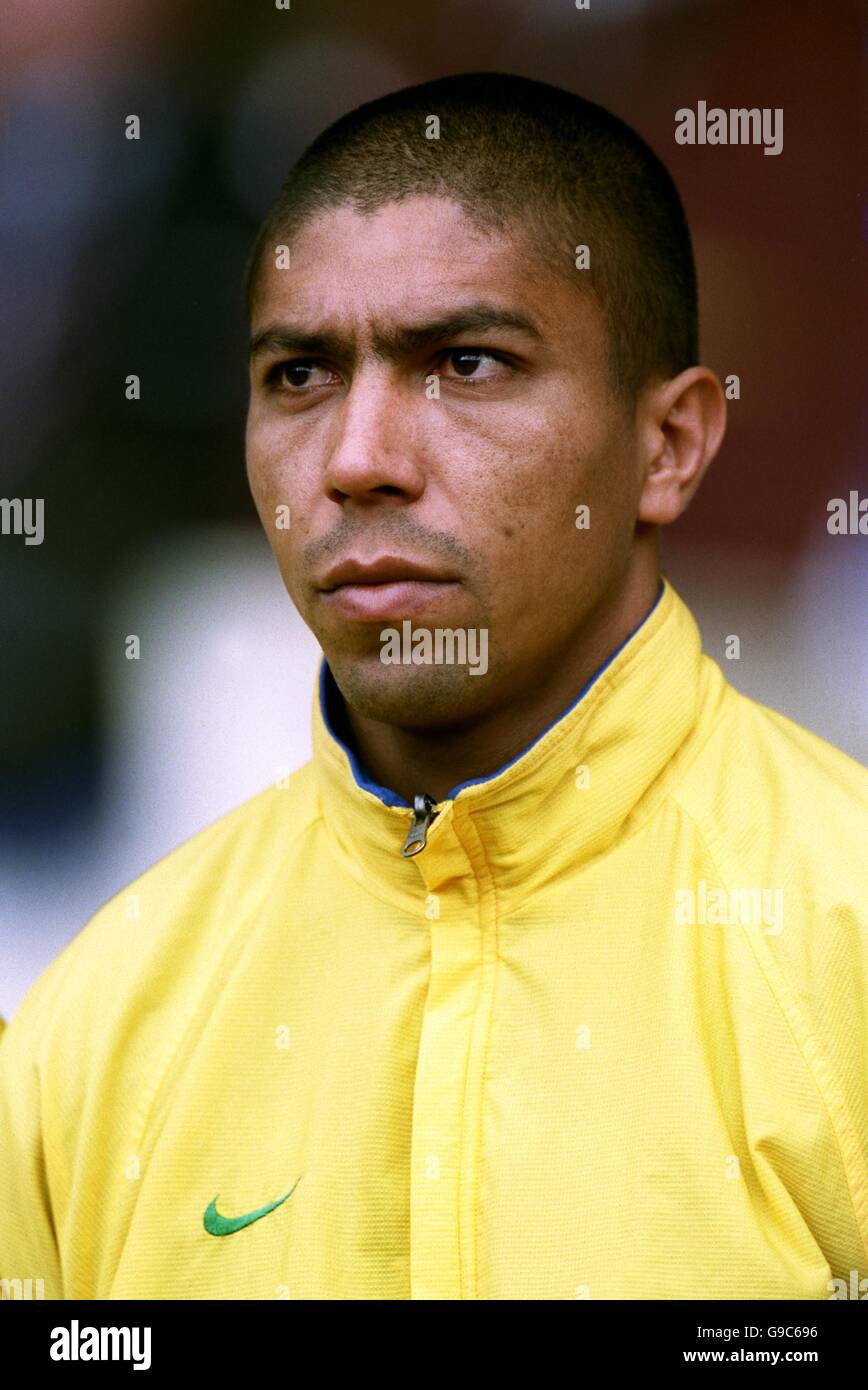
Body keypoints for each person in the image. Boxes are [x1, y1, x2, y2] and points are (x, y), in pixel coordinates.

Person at [1, 72, 865, 1302]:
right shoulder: (98, 1019)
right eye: (298, 376)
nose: (356, 460)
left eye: (465, 362)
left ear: (666, 445)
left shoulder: (842, 940)